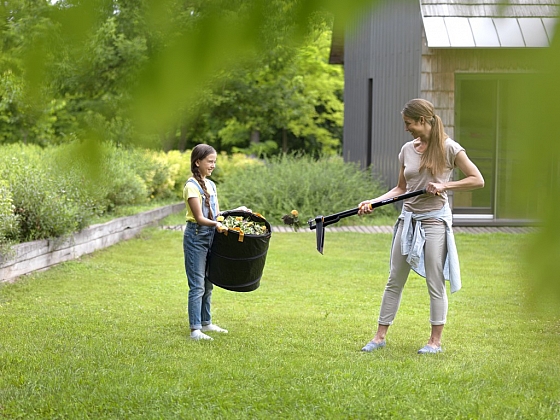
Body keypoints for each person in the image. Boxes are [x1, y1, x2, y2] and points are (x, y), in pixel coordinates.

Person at [358, 98, 484, 354]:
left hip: (434, 220)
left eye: (409, 123)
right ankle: (379, 337)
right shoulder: (407, 149)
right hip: (408, 218)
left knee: (435, 280)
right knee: (395, 278)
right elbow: (401, 189)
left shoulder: (450, 148)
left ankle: (434, 342)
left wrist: (444, 185)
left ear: (422, 121)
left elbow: (477, 179)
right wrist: (373, 201)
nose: (407, 129)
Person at [183, 144, 250, 341]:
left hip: (211, 235)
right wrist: (220, 226)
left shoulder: (211, 185)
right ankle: (195, 330)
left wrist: (237, 211)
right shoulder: (191, 186)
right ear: (198, 162)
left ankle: (206, 323)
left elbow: (216, 215)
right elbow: (200, 218)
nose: (213, 165)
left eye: (214, 162)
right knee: (197, 285)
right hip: (196, 237)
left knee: (209, 282)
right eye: (210, 161)